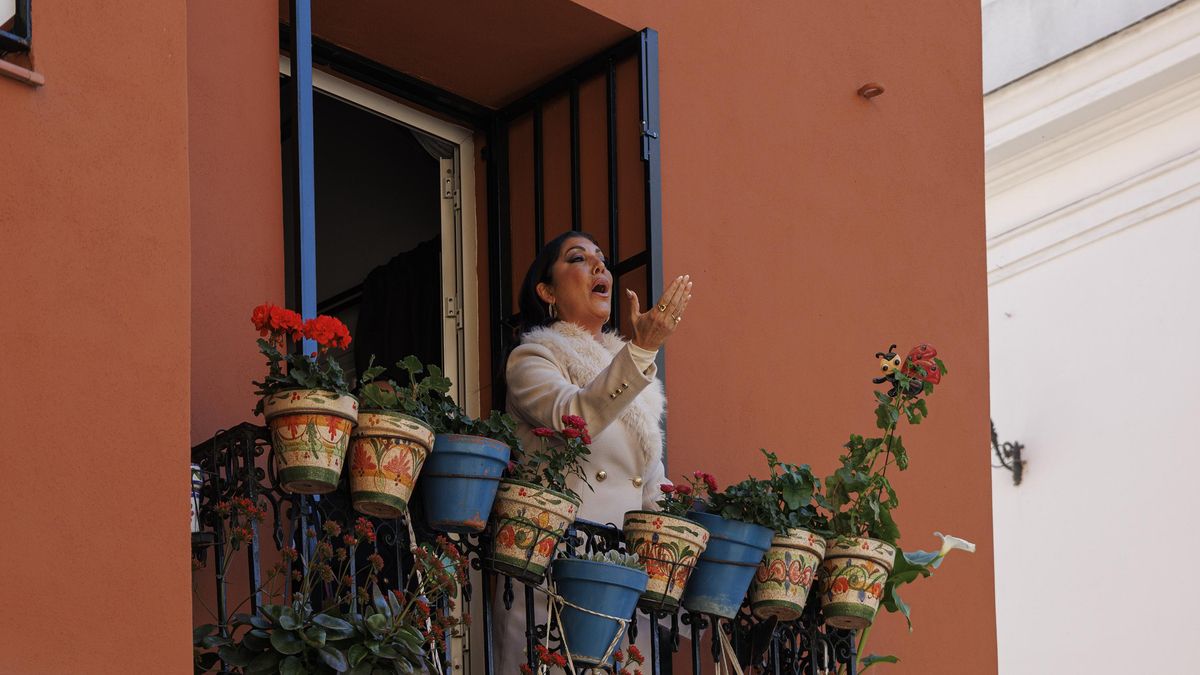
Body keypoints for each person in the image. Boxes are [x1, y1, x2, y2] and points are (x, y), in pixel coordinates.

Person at [494, 230, 692, 673]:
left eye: (601, 260)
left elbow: (652, 493)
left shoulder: (635, 383)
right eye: (579, 259)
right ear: (547, 291)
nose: (599, 267)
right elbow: (575, 416)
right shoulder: (532, 357)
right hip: (554, 584)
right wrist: (642, 349)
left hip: (619, 588)